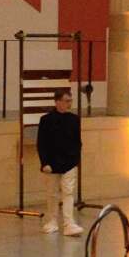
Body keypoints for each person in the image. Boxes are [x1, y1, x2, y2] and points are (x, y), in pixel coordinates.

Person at [38, 87, 83, 237]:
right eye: (66, 101)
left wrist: (75, 160)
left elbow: (77, 142)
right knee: (52, 194)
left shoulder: (74, 119)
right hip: (51, 164)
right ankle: (52, 221)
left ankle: (69, 223)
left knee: (68, 192)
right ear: (57, 102)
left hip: (69, 163)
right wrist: (44, 163)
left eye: (70, 101)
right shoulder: (46, 120)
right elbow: (41, 144)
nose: (69, 104)